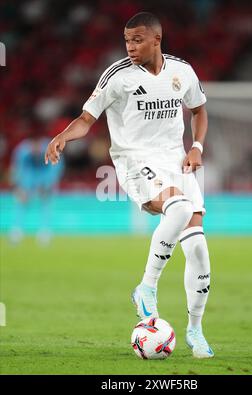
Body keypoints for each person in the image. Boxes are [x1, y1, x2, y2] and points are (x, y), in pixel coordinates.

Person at [45, 12, 213, 358]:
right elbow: (86, 119)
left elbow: (199, 111)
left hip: (176, 162)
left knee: (197, 249)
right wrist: (62, 136)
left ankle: (195, 331)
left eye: (137, 40)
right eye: (126, 40)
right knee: (179, 208)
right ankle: (146, 287)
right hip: (136, 162)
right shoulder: (117, 76)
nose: (131, 47)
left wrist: (196, 147)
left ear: (156, 39)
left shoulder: (182, 71)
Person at [10, 134, 64, 244]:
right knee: (21, 202)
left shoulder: (51, 148)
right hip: (29, 176)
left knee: (46, 203)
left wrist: (47, 185)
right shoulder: (22, 150)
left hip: (45, 175)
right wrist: (20, 187)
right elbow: (18, 169)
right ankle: (17, 230)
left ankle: (45, 231)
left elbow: (56, 167)